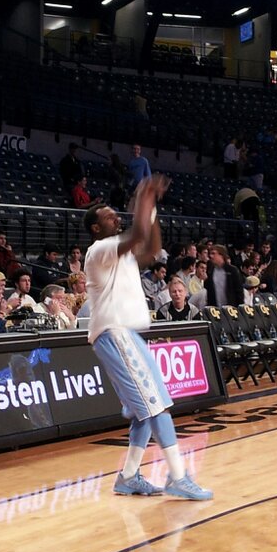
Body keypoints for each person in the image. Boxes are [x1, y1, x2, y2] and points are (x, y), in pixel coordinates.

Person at [83, 177, 212, 500]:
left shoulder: (120, 254)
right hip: (115, 333)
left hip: (126, 335)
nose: (115, 217)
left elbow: (152, 248)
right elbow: (138, 234)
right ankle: (178, 476)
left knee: (145, 409)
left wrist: (150, 208)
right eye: (108, 216)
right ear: (96, 228)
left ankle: (128, 476)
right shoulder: (100, 250)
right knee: (158, 405)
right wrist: (143, 197)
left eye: (117, 213)